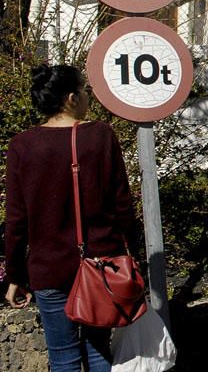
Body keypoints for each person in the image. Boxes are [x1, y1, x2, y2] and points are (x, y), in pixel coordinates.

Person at [4, 65, 138, 371]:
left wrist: (15, 275)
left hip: (48, 267)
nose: (88, 96)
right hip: (100, 264)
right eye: (84, 90)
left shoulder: (22, 145)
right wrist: (133, 252)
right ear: (70, 98)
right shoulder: (100, 136)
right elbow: (122, 205)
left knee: (63, 356)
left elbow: (16, 220)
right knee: (98, 351)